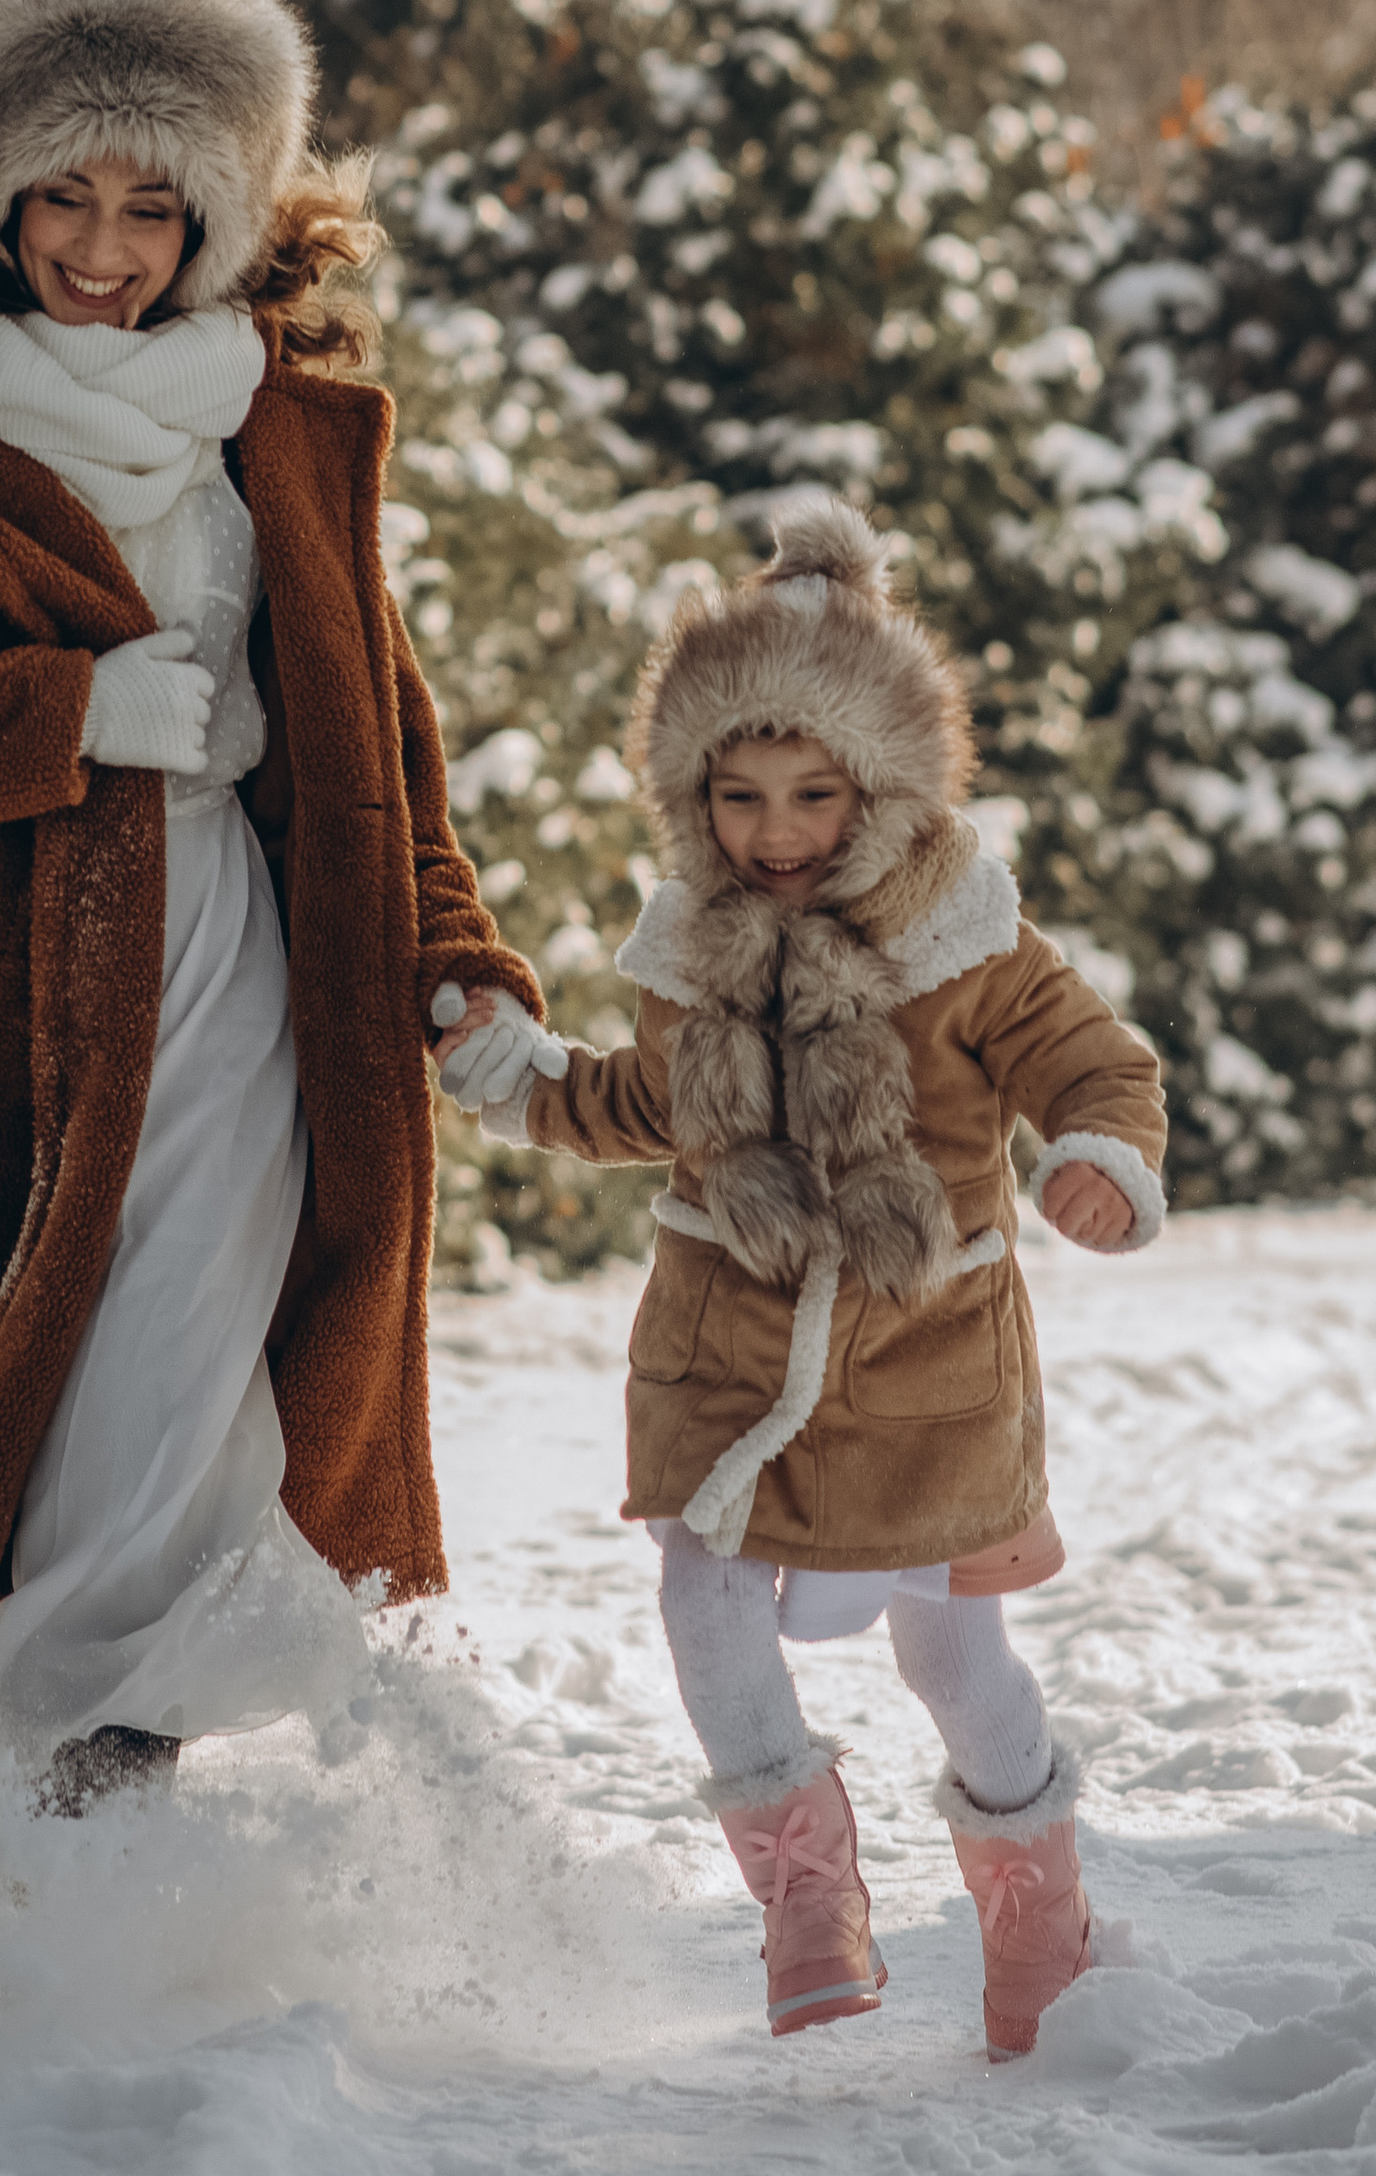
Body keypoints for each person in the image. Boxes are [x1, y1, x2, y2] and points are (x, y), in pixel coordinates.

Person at [0, 0, 540, 1812]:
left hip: (237, 971)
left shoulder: (279, 417)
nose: (101, 247)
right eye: (62, 195)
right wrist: (63, 713)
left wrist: (457, 957)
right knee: (20, 1423)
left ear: (222, 216)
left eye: (155, 206)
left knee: (177, 1387)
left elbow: (379, 745)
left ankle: (93, 1813)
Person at [435, 495, 1166, 2054]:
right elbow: (646, 1106)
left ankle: (1037, 1915)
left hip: (922, 1368)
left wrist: (1101, 1156)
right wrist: (518, 1075)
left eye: (815, 794)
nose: (775, 832)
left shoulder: (967, 942)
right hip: (727, 1350)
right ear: (693, 794)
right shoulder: (692, 953)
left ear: (882, 788)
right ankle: (805, 1888)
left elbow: (1092, 1061)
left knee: (951, 1649)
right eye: (741, 795)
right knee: (699, 1591)